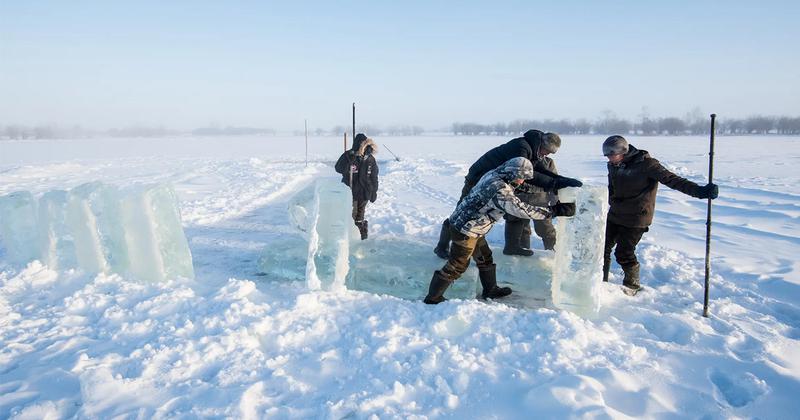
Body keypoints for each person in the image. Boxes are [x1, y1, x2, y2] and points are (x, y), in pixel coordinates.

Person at [424, 157, 576, 304]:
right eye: (521, 178)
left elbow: (515, 189)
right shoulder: (499, 189)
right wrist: (554, 211)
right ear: (513, 174)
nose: (522, 182)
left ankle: (491, 290)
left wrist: (552, 184)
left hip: (471, 225)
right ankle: (433, 297)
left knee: (485, 257)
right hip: (466, 229)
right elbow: (520, 209)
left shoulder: (495, 174)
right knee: (458, 264)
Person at [433, 129, 583, 259]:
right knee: (461, 213)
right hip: (478, 180)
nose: (547, 155)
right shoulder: (521, 148)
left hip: (492, 181)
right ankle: (441, 246)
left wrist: (562, 180)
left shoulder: (534, 150)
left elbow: (539, 171)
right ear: (542, 145)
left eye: (550, 153)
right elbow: (530, 174)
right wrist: (555, 184)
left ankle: (469, 245)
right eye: (547, 151)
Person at [602, 135, 719, 294]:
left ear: (623, 151)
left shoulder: (647, 165)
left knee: (624, 252)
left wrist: (700, 191)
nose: (609, 159)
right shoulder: (613, 165)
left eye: (611, 155)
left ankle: (632, 285)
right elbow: (612, 187)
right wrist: (612, 200)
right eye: (607, 156)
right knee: (602, 246)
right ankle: (601, 281)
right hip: (616, 213)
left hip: (637, 217)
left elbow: (673, 180)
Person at [503, 147, 560, 256]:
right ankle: (523, 251)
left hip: (540, 200)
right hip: (520, 198)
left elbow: (554, 182)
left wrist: (554, 200)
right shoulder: (522, 160)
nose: (546, 154)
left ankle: (552, 252)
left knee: (546, 229)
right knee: (521, 228)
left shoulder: (548, 162)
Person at [335, 133, 379, 240]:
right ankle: (349, 238)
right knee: (352, 216)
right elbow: (338, 168)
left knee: (360, 216)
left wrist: (374, 192)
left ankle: (361, 237)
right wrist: (348, 161)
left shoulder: (370, 159)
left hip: (364, 193)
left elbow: (374, 177)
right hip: (351, 191)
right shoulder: (348, 155)